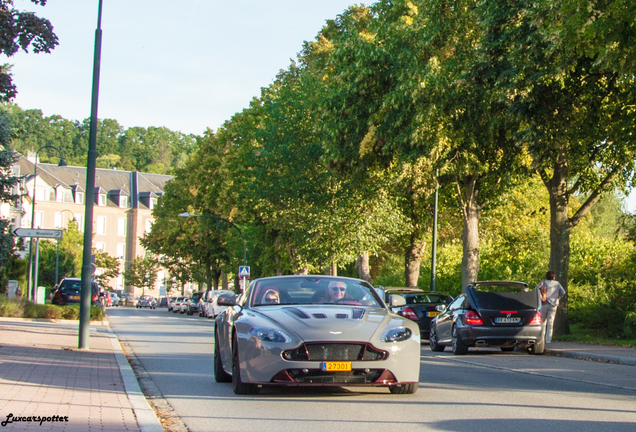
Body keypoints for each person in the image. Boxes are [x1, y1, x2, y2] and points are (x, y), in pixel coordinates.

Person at [537, 270, 565, 343]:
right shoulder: (557, 284)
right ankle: (548, 340)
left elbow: (537, 289)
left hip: (544, 304)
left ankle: (541, 339)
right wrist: (558, 298)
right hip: (553, 305)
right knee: (550, 323)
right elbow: (563, 292)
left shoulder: (543, 282)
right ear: (554, 277)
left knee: (542, 322)